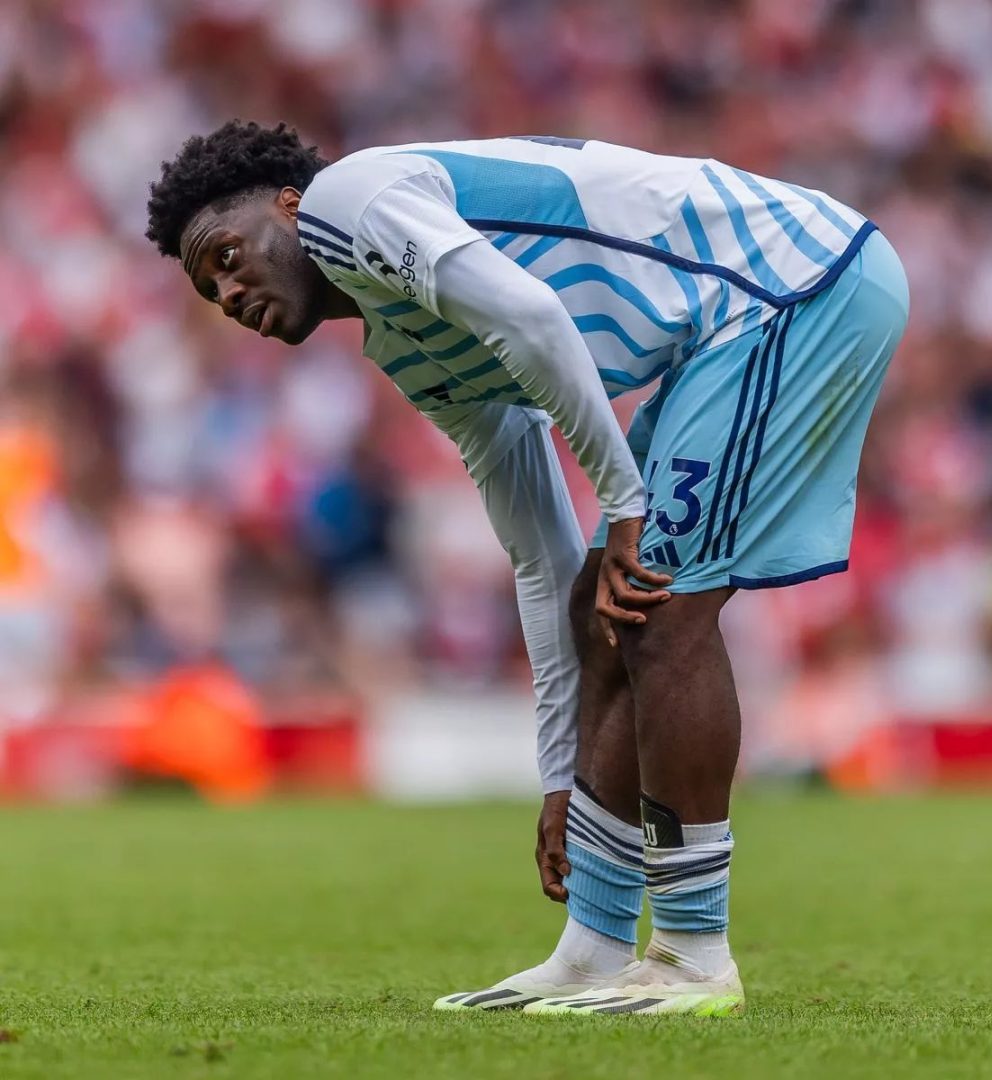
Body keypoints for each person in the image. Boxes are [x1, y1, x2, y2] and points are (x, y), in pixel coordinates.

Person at [147, 121, 908, 1017]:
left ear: (288, 205)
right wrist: (560, 776)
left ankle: (695, 955)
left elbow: (535, 317)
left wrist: (624, 505)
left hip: (794, 284)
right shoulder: (408, 344)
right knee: (603, 606)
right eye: (209, 288)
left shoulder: (347, 201)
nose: (228, 291)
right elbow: (542, 557)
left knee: (660, 604)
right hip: (735, 322)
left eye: (227, 255)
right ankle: (593, 948)